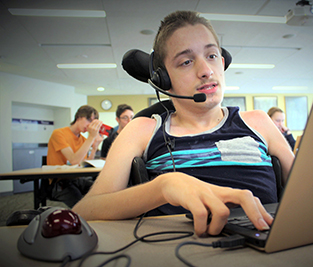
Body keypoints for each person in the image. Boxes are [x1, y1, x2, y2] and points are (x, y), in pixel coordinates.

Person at [73, 11, 294, 237]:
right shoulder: (142, 130)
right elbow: (84, 211)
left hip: (269, 246)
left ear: (223, 61)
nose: (206, 71)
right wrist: (163, 187)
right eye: (186, 61)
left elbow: (310, 192)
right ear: (163, 80)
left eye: (212, 55)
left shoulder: (258, 122)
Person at [47, 105, 104, 207]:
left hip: (76, 179)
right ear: (79, 117)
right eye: (89, 121)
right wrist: (91, 137)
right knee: (82, 205)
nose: (90, 126)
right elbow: (74, 161)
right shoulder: (59, 134)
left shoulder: (82, 139)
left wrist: (94, 147)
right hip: (60, 181)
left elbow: (85, 164)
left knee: (101, 193)